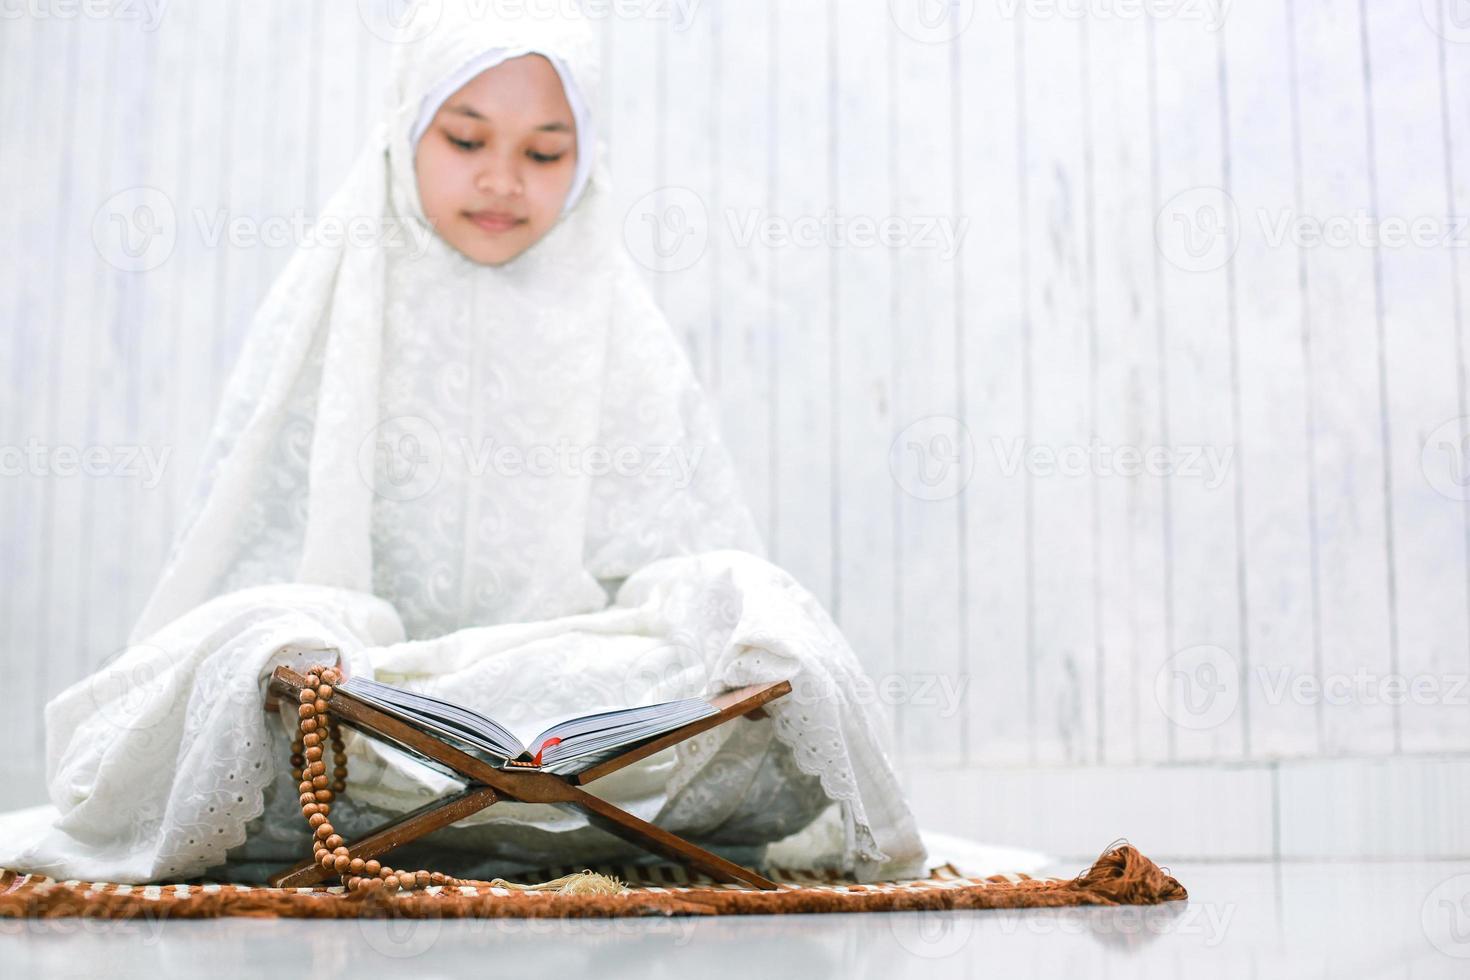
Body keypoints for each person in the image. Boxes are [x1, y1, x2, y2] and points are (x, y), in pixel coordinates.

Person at [0, 0, 927, 886]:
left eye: (545, 150)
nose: (503, 178)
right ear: (407, 130)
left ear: (586, 156)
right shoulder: (338, 292)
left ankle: (513, 783)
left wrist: (700, 617)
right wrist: (320, 658)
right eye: (467, 138)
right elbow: (253, 538)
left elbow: (667, 551)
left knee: (756, 612)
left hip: (575, 700)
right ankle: (459, 785)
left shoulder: (616, 317)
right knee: (261, 645)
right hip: (369, 699)